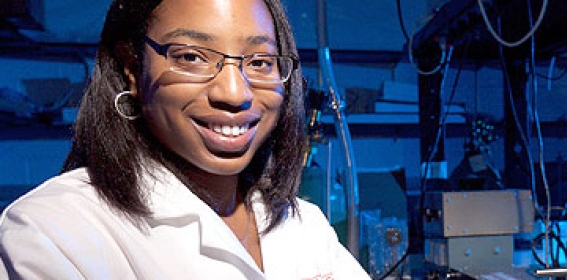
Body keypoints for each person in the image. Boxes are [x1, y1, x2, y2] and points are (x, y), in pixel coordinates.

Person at [0, 0, 370, 279]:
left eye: (259, 62)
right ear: (132, 70)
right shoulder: (52, 229)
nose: (234, 92)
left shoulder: (303, 224)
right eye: (192, 57)